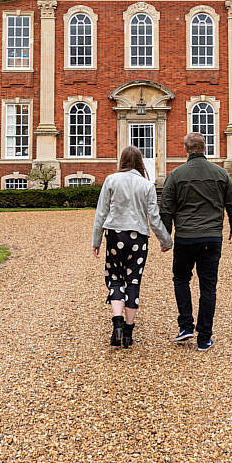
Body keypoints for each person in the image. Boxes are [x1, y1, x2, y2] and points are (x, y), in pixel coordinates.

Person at [159, 132, 232, 352]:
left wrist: (166, 237)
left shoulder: (176, 175)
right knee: (208, 287)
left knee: (181, 279)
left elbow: (166, 209)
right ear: (205, 147)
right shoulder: (220, 173)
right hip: (211, 237)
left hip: (185, 237)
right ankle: (204, 337)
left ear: (186, 149)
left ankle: (186, 325)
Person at [91, 145, 173, 348]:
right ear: (140, 163)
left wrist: (96, 241)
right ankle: (127, 332)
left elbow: (101, 213)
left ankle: (117, 323)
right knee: (133, 281)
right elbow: (154, 218)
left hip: (114, 234)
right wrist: (165, 241)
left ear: (122, 161)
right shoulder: (146, 185)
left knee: (115, 278)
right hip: (138, 238)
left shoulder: (111, 180)